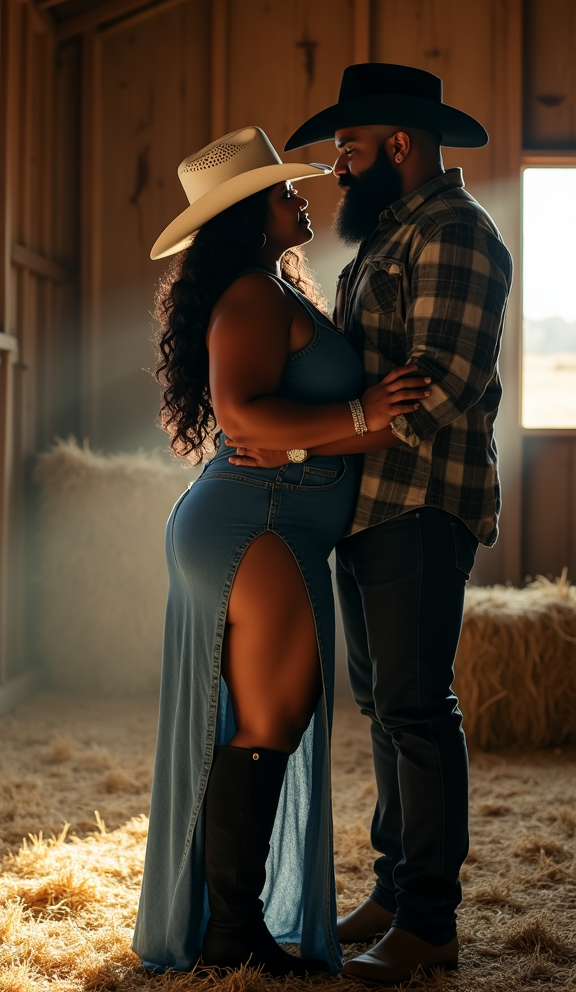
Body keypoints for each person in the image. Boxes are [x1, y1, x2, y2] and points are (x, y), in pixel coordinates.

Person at [233, 64, 513, 983]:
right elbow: (364, 385)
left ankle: (431, 922)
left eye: (348, 149)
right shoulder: (392, 236)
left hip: (424, 504)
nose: (339, 169)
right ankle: (398, 892)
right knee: (388, 711)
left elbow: (439, 386)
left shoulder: (457, 235)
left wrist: (308, 448)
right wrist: (331, 435)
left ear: (400, 144)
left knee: (418, 711)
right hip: (373, 508)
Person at [131, 125, 430, 977]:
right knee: (273, 717)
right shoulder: (253, 298)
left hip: (276, 516)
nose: (299, 194)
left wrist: (345, 433)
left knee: (274, 716)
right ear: (245, 217)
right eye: (280, 190)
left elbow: (275, 417)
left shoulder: (272, 288)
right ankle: (234, 935)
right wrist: (361, 423)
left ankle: (235, 927)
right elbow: (242, 417)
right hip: (256, 517)